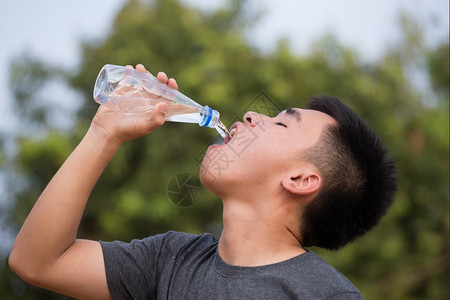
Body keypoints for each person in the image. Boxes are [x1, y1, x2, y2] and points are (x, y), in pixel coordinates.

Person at [9, 64, 396, 299]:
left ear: (299, 179)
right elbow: (37, 262)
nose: (250, 114)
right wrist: (103, 133)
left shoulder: (324, 295)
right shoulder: (172, 261)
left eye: (279, 122)